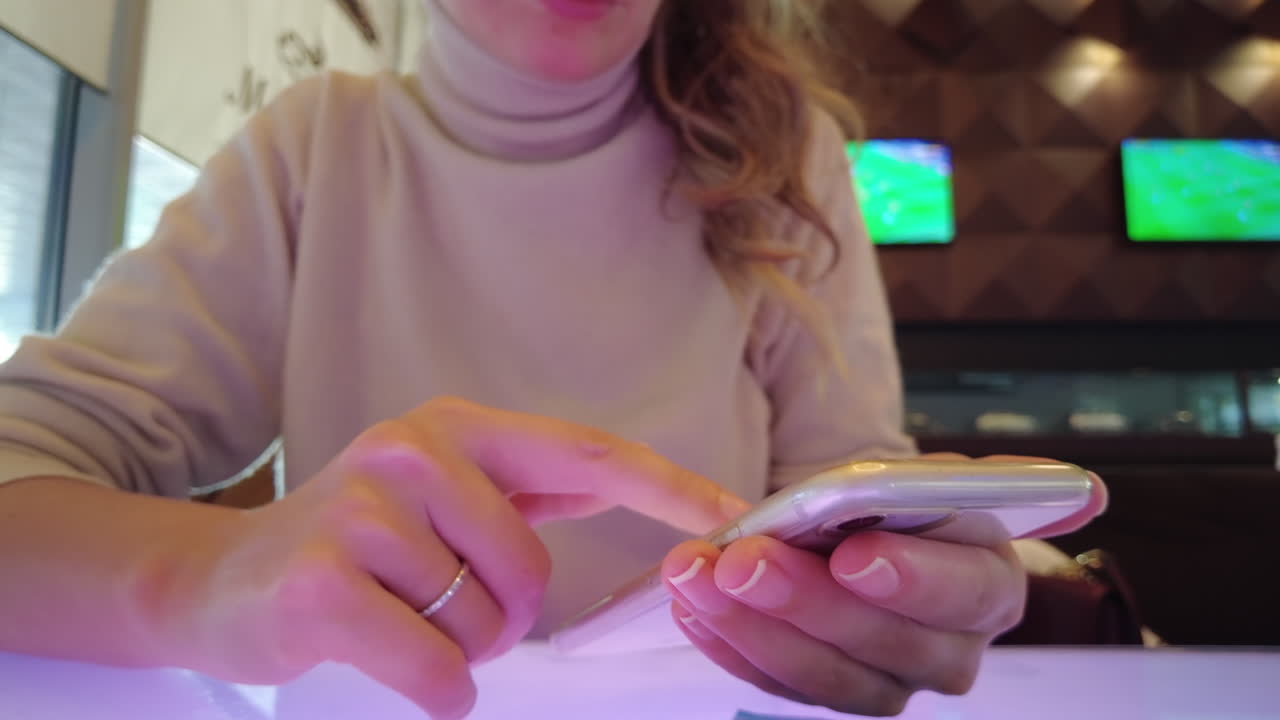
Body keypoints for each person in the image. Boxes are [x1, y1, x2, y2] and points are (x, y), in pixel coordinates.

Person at [0, 1, 1105, 718]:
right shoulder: (313, 148)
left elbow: (853, 485)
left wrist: (898, 593)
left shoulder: (785, 155)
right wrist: (210, 574)